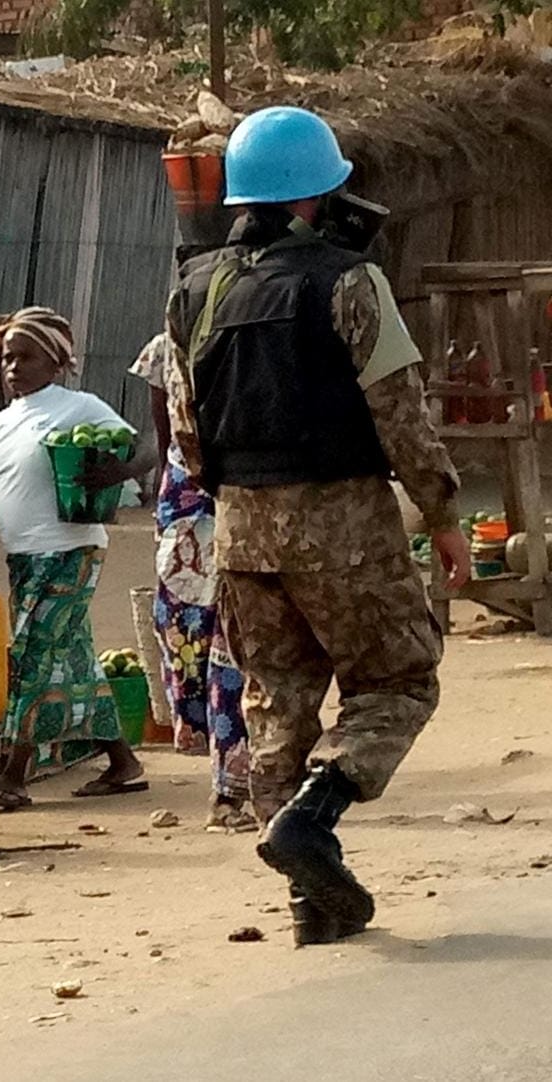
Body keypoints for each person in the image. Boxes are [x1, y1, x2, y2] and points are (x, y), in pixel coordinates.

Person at [164, 106, 470, 945]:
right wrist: (443, 513)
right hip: (342, 525)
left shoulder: (195, 286)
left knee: (278, 705)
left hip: (241, 532)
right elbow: (399, 413)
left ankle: (310, 904)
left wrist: (238, 502)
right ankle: (314, 817)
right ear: (317, 196)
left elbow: (187, 429)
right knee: (399, 683)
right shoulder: (349, 280)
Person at [0, 307, 152, 810]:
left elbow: (145, 448)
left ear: (54, 363)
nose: (12, 367)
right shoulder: (4, 422)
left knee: (31, 655)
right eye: (7, 358)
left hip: (71, 549)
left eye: (25, 357)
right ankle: (123, 763)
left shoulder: (78, 407)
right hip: (25, 558)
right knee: (70, 658)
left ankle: (12, 773)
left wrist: (112, 475)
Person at [130, 329, 256, 833]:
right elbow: (166, 441)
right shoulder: (167, 346)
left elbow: (168, 445)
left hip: (225, 502)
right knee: (208, 647)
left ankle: (233, 790)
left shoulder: (242, 337)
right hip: (199, 508)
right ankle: (234, 788)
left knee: (230, 649)